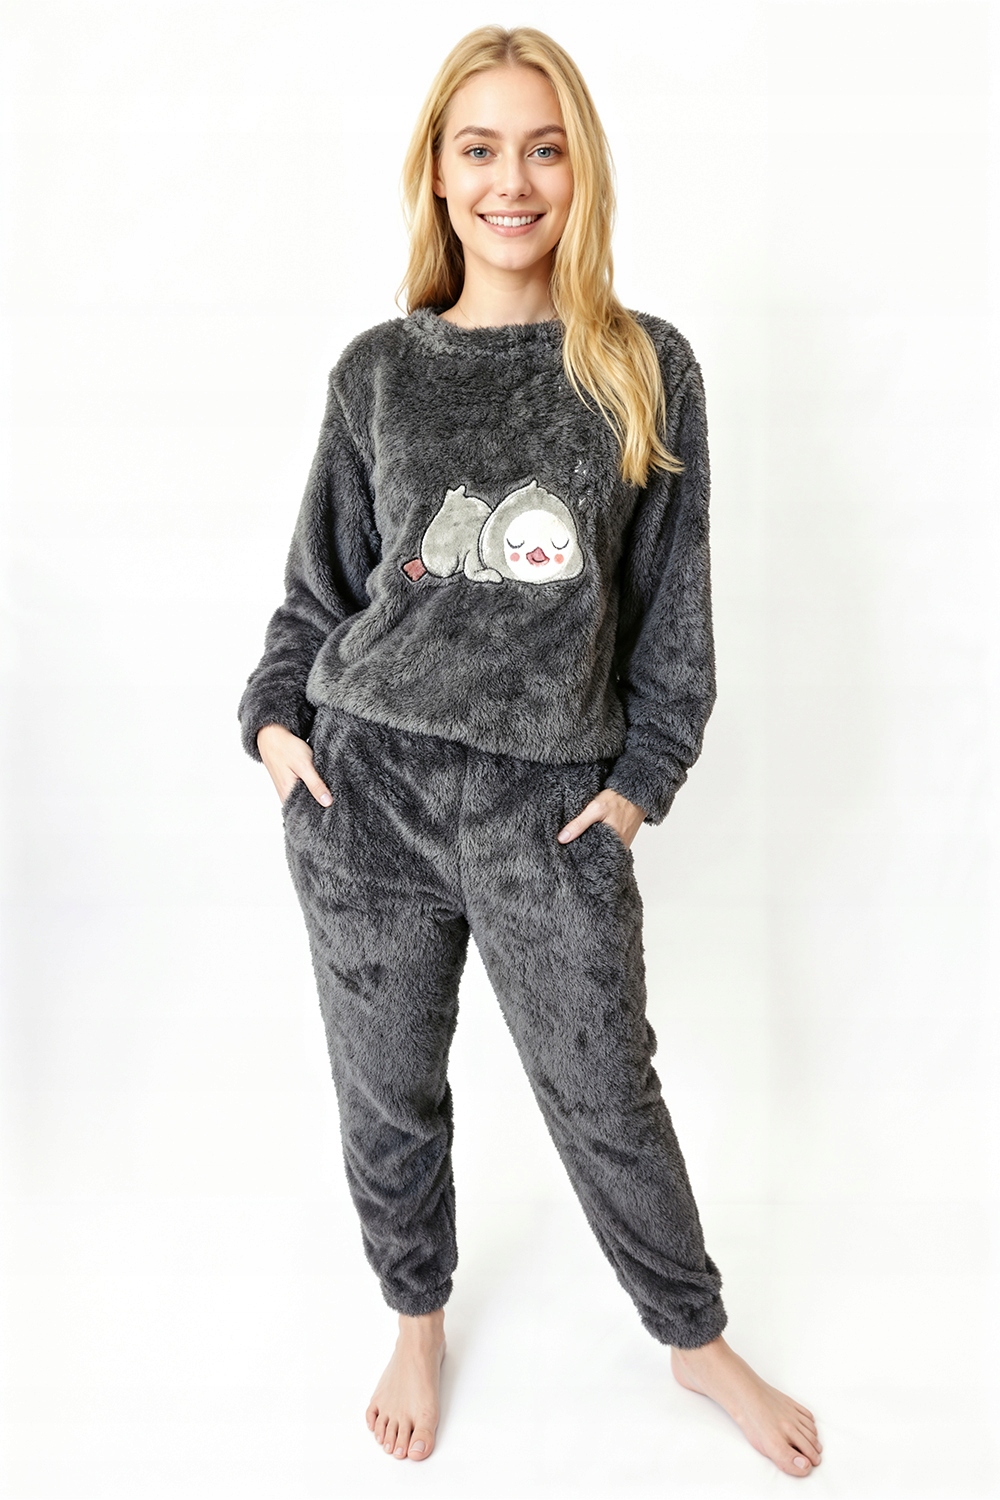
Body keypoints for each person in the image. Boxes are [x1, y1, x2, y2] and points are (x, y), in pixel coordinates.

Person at [237, 24, 823, 1478]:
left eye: (544, 148)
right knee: (385, 1087)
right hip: (363, 794)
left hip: (546, 813)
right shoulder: (380, 370)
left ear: (582, 170)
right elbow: (318, 593)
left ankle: (691, 1338)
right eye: (482, 149)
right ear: (438, 175)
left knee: (604, 1089)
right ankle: (416, 1319)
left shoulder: (643, 367)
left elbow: (672, 618)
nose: (514, 181)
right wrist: (277, 730)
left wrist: (637, 786)